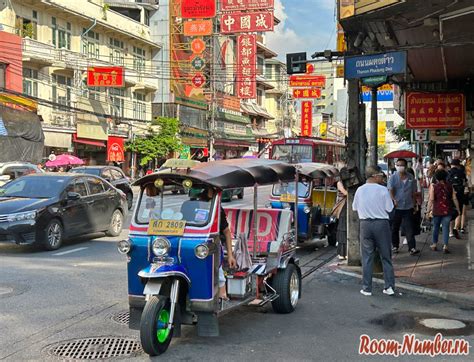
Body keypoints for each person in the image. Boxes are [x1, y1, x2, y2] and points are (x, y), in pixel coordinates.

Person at [353, 165, 395, 296]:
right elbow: (389, 208)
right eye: (381, 176)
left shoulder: (359, 190)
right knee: (386, 257)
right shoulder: (382, 190)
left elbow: (355, 207)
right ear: (375, 176)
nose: (382, 178)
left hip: (365, 225)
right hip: (381, 224)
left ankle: (367, 288)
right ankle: (389, 287)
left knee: (367, 257)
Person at [199, 188, 237, 300]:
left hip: (212, 245)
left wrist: (230, 255)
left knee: (218, 272)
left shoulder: (217, 209)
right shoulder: (189, 207)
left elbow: (226, 232)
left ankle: (222, 295)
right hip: (193, 244)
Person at [388, 158, 420, 255]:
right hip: (396, 207)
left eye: (401, 165)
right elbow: (390, 189)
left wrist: (415, 204)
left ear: (405, 166)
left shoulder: (410, 177)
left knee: (409, 228)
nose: (399, 167)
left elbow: (414, 192)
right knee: (395, 228)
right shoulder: (393, 177)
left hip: (408, 206)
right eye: (398, 165)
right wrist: (393, 199)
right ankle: (395, 246)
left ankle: (412, 248)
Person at [427, 170, 461, 253]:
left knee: (436, 227)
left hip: (437, 210)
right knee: (446, 228)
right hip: (447, 210)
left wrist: (428, 211)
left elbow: (431, 199)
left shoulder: (434, 186)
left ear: (437, 178)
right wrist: (458, 209)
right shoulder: (450, 186)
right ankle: (445, 246)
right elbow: (454, 198)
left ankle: (434, 244)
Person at [447, 158, 467, 238]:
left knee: (450, 212)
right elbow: (465, 183)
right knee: (459, 212)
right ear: (458, 165)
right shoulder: (462, 173)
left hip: (450, 195)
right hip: (460, 195)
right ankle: (456, 227)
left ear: (451, 165)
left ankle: (451, 231)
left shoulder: (448, 173)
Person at [334, 179, 348, 260]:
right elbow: (345, 193)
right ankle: (342, 253)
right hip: (343, 207)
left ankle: (345, 253)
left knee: (344, 228)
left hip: (347, 206)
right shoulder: (340, 183)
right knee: (342, 228)